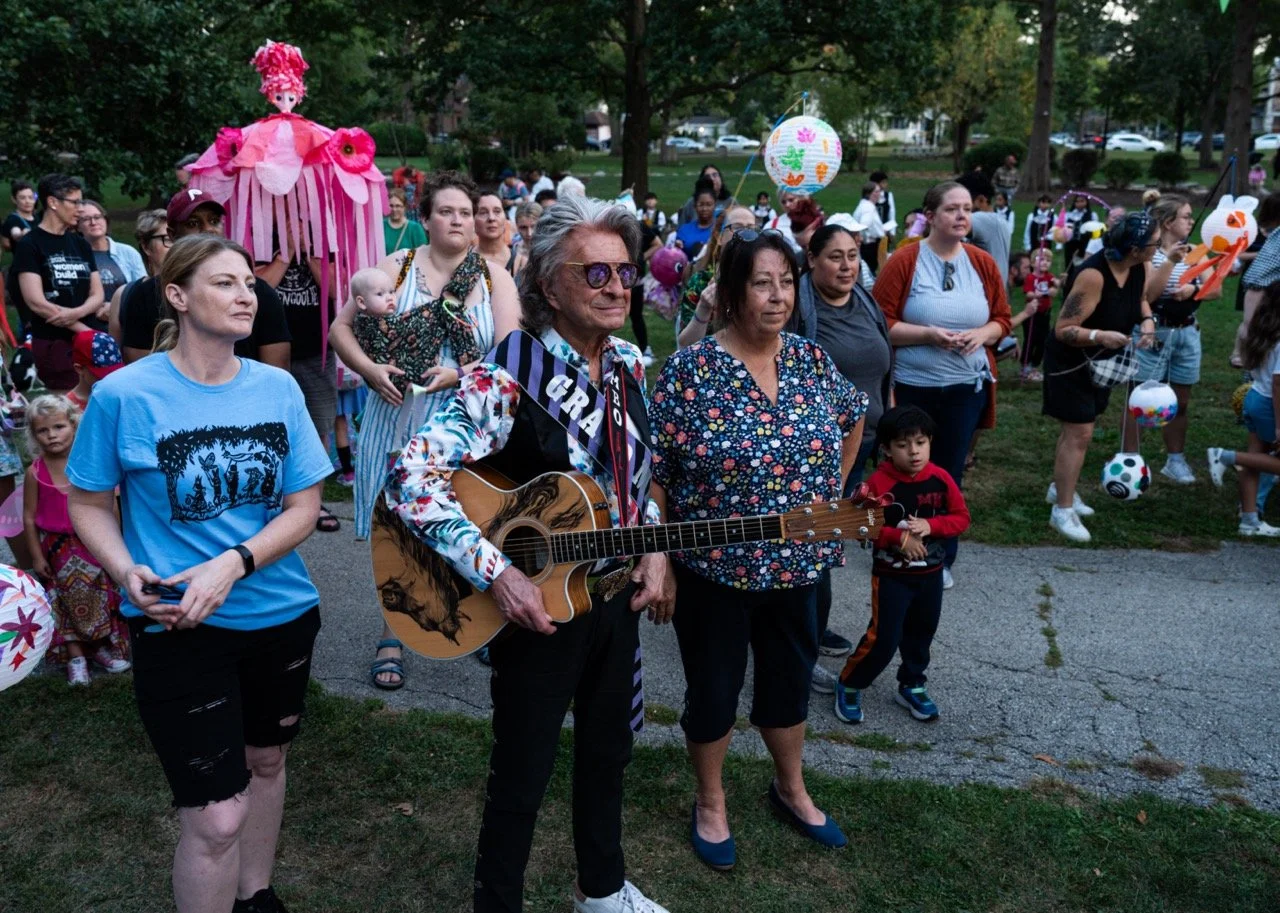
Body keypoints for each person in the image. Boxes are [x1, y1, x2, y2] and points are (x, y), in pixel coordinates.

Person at [384, 194, 673, 913]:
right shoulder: (507, 373)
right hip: (534, 602)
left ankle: (602, 890)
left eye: (625, 273)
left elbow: (641, 476)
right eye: (595, 272)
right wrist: (499, 572)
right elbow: (410, 478)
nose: (616, 287)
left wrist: (658, 542)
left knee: (609, 754)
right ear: (549, 284)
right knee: (523, 769)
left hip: (612, 598)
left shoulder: (633, 361)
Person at [66, 234, 333, 913]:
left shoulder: (276, 387)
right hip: (180, 624)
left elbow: (305, 506)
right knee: (215, 815)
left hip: (281, 614)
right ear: (178, 296)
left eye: (250, 282)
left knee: (268, 761)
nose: (248, 293)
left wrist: (236, 560)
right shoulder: (124, 395)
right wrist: (126, 569)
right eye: (226, 283)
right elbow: (89, 502)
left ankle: (256, 893)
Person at [650, 228, 867, 869]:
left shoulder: (809, 359)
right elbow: (655, 472)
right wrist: (658, 556)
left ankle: (790, 788)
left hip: (800, 564)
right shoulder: (691, 371)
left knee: (789, 682)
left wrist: (835, 493)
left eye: (785, 283)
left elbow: (851, 417)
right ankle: (711, 800)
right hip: (714, 568)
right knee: (714, 691)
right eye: (761, 283)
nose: (777, 297)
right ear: (733, 292)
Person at [328, 170, 519, 692]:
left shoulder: (494, 277)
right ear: (425, 218)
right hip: (397, 417)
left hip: (466, 425)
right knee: (398, 529)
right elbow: (339, 328)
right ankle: (393, 631)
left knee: (469, 523)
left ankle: (476, 624)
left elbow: (511, 352)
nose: (457, 220)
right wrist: (368, 370)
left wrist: (458, 374)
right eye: (445, 211)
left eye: (465, 212)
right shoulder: (396, 266)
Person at [874, 181, 1011, 587]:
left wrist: (983, 334)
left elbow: (1002, 319)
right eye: (952, 209)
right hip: (914, 385)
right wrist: (929, 335)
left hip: (964, 388)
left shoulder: (982, 262)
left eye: (967, 208)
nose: (962, 216)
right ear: (930, 216)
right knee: (903, 468)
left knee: (946, 472)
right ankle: (896, 542)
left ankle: (939, 556)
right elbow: (880, 323)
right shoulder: (905, 260)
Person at [789, 223, 893, 693]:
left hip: (867, 441)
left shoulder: (865, 303)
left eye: (853, 255)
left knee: (830, 546)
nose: (848, 265)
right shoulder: (797, 309)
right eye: (835, 256)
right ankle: (800, 653)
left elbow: (882, 368)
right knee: (816, 541)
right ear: (811, 260)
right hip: (817, 452)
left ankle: (809, 629)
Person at [834, 405, 970, 725]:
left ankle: (912, 683)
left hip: (931, 576)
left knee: (921, 634)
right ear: (886, 449)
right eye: (903, 445)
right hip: (892, 576)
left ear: (930, 443)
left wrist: (930, 527)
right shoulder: (878, 484)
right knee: (883, 638)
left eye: (920, 443)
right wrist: (898, 537)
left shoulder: (941, 478)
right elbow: (862, 528)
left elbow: (961, 518)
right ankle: (851, 683)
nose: (913, 452)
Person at [1042, 213, 1158, 542]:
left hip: (1103, 361)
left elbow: (1141, 299)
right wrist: (1098, 336)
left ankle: (1059, 487)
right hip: (1071, 362)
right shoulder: (1093, 276)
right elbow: (1063, 330)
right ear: (1135, 248)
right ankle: (1062, 510)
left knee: (1078, 429)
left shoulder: (1141, 266)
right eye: (1154, 242)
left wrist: (1147, 320)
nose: (1158, 247)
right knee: (1080, 432)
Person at [23, 393, 130, 686]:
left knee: (101, 593)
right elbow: (30, 517)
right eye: (42, 431)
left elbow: (110, 505)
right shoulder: (35, 472)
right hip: (55, 549)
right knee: (62, 600)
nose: (51, 435)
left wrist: (116, 542)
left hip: (92, 542)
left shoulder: (90, 463)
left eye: (58, 427)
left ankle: (101, 648)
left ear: (74, 425)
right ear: (34, 436)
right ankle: (75, 656)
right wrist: (36, 556)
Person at [121, 189, 291, 371]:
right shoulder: (144, 295)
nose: (208, 229)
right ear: (171, 234)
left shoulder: (259, 292)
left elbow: (276, 372)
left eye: (214, 221)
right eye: (193, 223)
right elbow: (141, 373)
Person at [1123, 195, 1220, 482]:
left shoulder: (1197, 251)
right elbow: (1149, 296)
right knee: (1138, 399)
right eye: (1186, 216)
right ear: (1167, 222)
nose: (1191, 221)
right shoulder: (1148, 253)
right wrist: (1170, 262)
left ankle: (1175, 460)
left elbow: (1216, 290)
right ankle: (1131, 460)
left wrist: (1193, 291)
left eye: (1191, 216)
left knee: (1181, 401)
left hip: (1187, 333)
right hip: (1153, 333)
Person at [253, 218, 341, 533]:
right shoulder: (261, 237)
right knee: (268, 426)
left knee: (317, 427)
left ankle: (313, 504)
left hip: (315, 349)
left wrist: (308, 253)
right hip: (268, 349)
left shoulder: (322, 241)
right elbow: (259, 290)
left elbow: (335, 291)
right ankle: (269, 500)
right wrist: (285, 255)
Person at [13, 174, 105, 391]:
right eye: (75, 202)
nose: (81, 209)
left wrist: (79, 317)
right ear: (53, 202)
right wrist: (81, 328)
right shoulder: (30, 244)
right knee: (67, 411)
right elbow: (36, 302)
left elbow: (97, 293)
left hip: (89, 340)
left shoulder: (80, 244)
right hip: (55, 345)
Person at [1208, 280, 1280, 536]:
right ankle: (1224, 456)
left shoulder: (1265, 329)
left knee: (1255, 461)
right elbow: (1278, 385)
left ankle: (1249, 519)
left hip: (1254, 397)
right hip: (1270, 404)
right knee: (1266, 461)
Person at [674, 205, 757, 348]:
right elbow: (685, 345)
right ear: (719, 236)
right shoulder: (701, 282)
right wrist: (704, 308)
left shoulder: (762, 281)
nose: (745, 234)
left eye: (751, 228)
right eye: (737, 227)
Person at [109, 209, 170, 344]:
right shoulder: (124, 294)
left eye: (179, 238)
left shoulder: (196, 291)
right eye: (167, 239)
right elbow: (118, 358)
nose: (176, 245)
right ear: (146, 246)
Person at [78, 200, 146, 306]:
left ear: (105, 220)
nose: (93, 222)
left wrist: (114, 309)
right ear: (78, 226)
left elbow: (143, 290)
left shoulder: (128, 253)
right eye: (86, 219)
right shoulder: (75, 255)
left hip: (124, 316)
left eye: (97, 217)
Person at [958, 171, 1013, 285]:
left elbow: (947, 224)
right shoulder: (995, 221)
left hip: (986, 298)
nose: (958, 209)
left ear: (981, 200)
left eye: (961, 203)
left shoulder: (985, 220)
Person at [1020, 247, 1060, 382]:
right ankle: (1025, 365)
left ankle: (1034, 365)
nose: (1045, 262)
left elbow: (1055, 288)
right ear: (1032, 263)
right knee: (1031, 340)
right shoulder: (1031, 278)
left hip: (1045, 315)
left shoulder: (1049, 277)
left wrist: (1057, 284)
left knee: (1043, 341)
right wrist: (1044, 293)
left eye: (1048, 260)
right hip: (1032, 315)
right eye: (1042, 259)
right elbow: (1029, 294)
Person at [66, 329, 124, 410]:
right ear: (79, 369)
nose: (110, 379)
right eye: (102, 375)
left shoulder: (121, 397)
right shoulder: (69, 408)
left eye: (115, 373)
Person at [852, 181, 890, 274]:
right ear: (869, 194)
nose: (879, 194)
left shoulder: (865, 205)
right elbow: (864, 224)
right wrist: (866, 236)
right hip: (870, 246)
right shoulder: (868, 208)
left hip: (868, 245)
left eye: (879, 191)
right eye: (876, 192)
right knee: (870, 271)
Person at [674, 183, 716, 261]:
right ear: (695, 206)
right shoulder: (684, 230)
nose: (704, 209)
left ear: (715, 205)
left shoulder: (720, 229)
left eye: (709, 204)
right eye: (701, 205)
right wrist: (678, 247)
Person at [475, 190, 512, 268]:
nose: (491, 218)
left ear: (505, 217)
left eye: (497, 211)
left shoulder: (522, 262)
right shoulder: (462, 261)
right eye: (483, 212)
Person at [383, 188, 428, 253]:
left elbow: (421, 255)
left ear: (405, 207)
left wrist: (405, 263)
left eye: (398, 206)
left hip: (407, 263)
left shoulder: (415, 228)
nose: (394, 209)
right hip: (384, 263)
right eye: (391, 206)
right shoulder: (381, 226)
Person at [508, 201, 542, 279]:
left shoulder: (551, 250)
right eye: (523, 227)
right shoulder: (512, 251)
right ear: (516, 226)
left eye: (533, 226)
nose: (529, 233)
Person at [1062, 195, 1097, 268]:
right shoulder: (1069, 215)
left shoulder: (1092, 215)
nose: (1079, 204)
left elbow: (1095, 230)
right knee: (1069, 263)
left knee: (1083, 263)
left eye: (1082, 201)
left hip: (1084, 243)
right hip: (1070, 243)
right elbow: (1063, 229)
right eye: (1077, 201)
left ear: (1086, 202)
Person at [2, 180, 36, 252]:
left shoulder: (37, 217)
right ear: (14, 200)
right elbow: (15, 233)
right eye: (22, 198)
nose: (27, 201)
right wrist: (21, 235)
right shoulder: (13, 219)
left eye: (30, 197)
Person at [870, 170, 897, 243]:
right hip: (873, 231)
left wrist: (892, 232)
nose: (886, 184)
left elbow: (892, 214)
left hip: (885, 230)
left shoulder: (888, 196)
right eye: (884, 182)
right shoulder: (869, 197)